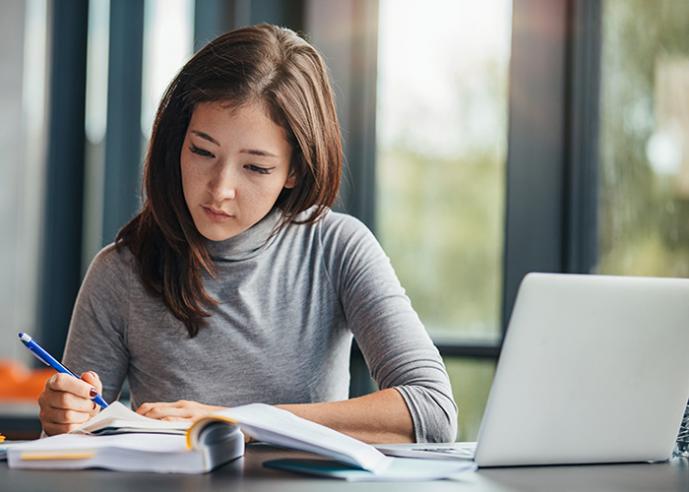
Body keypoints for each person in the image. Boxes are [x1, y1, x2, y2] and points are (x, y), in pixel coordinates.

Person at [37, 24, 457, 444]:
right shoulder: (122, 271)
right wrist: (64, 420)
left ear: (294, 170)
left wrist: (240, 420)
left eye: (255, 167)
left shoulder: (337, 248)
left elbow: (433, 411)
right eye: (202, 151)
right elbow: (70, 452)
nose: (220, 189)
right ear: (177, 140)